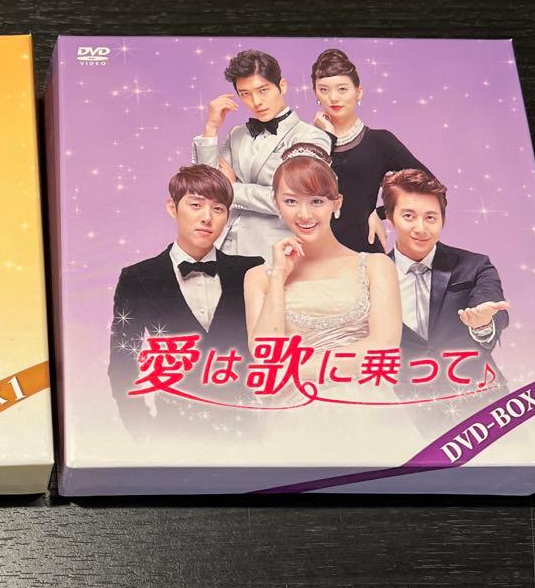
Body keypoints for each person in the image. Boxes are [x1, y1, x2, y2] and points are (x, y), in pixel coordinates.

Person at [109, 164, 263, 434]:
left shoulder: (250, 271)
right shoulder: (138, 278)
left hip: (249, 430)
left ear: (227, 215)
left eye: (218, 209)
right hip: (175, 432)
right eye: (196, 205)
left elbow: (274, 347)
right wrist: (143, 434)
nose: (207, 218)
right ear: (173, 207)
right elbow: (123, 363)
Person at [244, 143, 402, 370]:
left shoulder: (376, 266)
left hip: (362, 391)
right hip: (292, 394)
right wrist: (278, 276)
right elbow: (265, 354)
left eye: (316, 201)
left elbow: (384, 346)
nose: (304, 214)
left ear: (336, 204)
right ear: (276, 204)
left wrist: (293, 370)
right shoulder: (259, 277)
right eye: (291, 201)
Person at [191, 49, 331, 259]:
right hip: (221, 247)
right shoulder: (237, 134)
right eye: (245, 94)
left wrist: (231, 189)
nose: (256, 101)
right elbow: (206, 188)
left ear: (282, 86)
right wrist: (211, 129)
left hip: (275, 252)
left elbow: (296, 200)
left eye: (263, 90)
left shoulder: (311, 137)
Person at [382, 168, 509, 379]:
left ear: (443, 220)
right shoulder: (372, 275)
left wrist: (482, 323)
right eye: (408, 216)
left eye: (430, 217)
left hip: (474, 391)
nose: (421, 228)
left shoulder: (475, 265)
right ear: (390, 218)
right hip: (401, 394)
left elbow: (492, 305)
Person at [310, 47, 434, 253]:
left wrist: (382, 212)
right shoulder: (304, 142)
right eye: (324, 90)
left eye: (342, 89)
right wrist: (327, 137)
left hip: (363, 248)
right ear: (315, 93)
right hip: (315, 250)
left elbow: (430, 185)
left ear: (358, 92)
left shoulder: (379, 142)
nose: (333, 97)